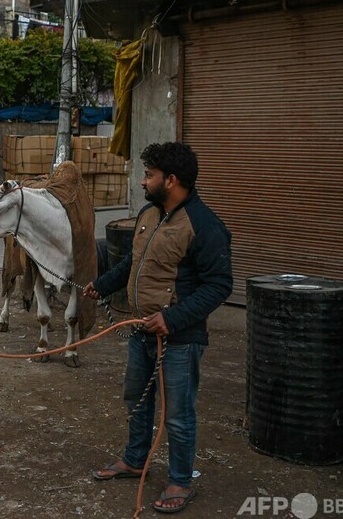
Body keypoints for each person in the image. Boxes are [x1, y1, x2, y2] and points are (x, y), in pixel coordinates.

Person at [82, 142, 232, 514]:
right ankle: (136, 460)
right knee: (136, 400)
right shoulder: (149, 214)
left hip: (180, 339)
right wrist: (103, 284)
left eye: (149, 175)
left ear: (172, 180)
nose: (142, 181)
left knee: (177, 415)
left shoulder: (205, 226)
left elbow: (219, 285)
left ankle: (180, 481)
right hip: (141, 332)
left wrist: (172, 318)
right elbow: (133, 264)